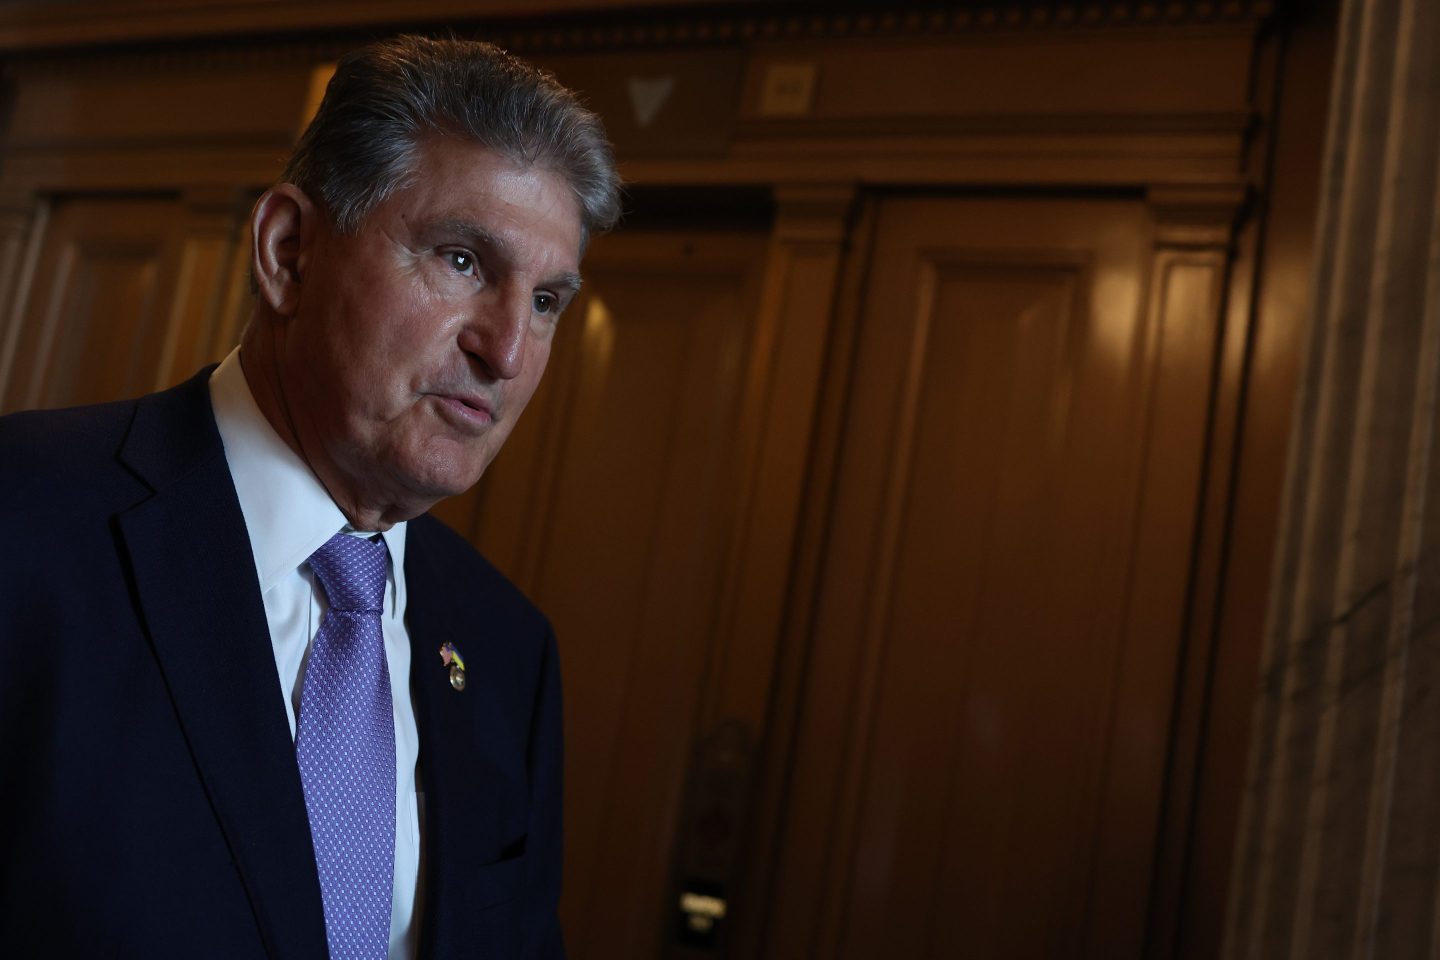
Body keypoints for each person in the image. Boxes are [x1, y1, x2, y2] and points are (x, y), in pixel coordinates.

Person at [0, 34, 619, 959]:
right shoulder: (25, 520)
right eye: (461, 261)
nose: (509, 353)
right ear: (288, 252)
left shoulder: (505, 649)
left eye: (546, 302)